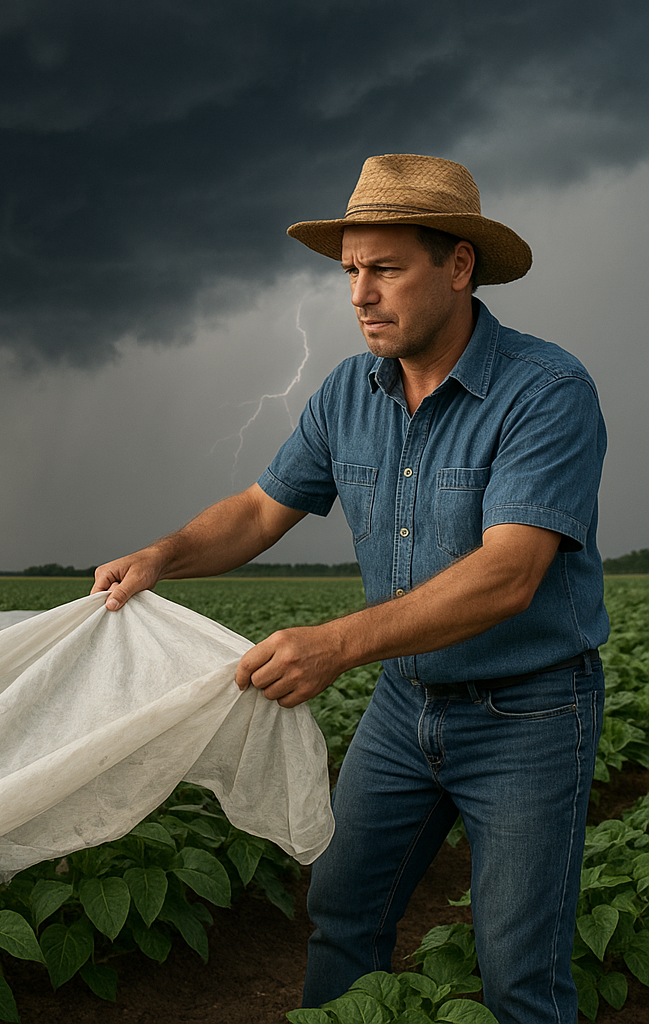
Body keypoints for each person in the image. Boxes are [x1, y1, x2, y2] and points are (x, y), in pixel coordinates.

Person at [91, 153, 608, 1024]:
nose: (362, 294)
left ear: (457, 266)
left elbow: (509, 573)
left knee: (519, 968)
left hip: (530, 712)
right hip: (406, 708)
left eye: (386, 270)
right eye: (351, 273)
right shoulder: (347, 391)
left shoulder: (546, 390)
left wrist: (334, 644)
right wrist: (161, 556)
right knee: (340, 911)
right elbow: (260, 512)